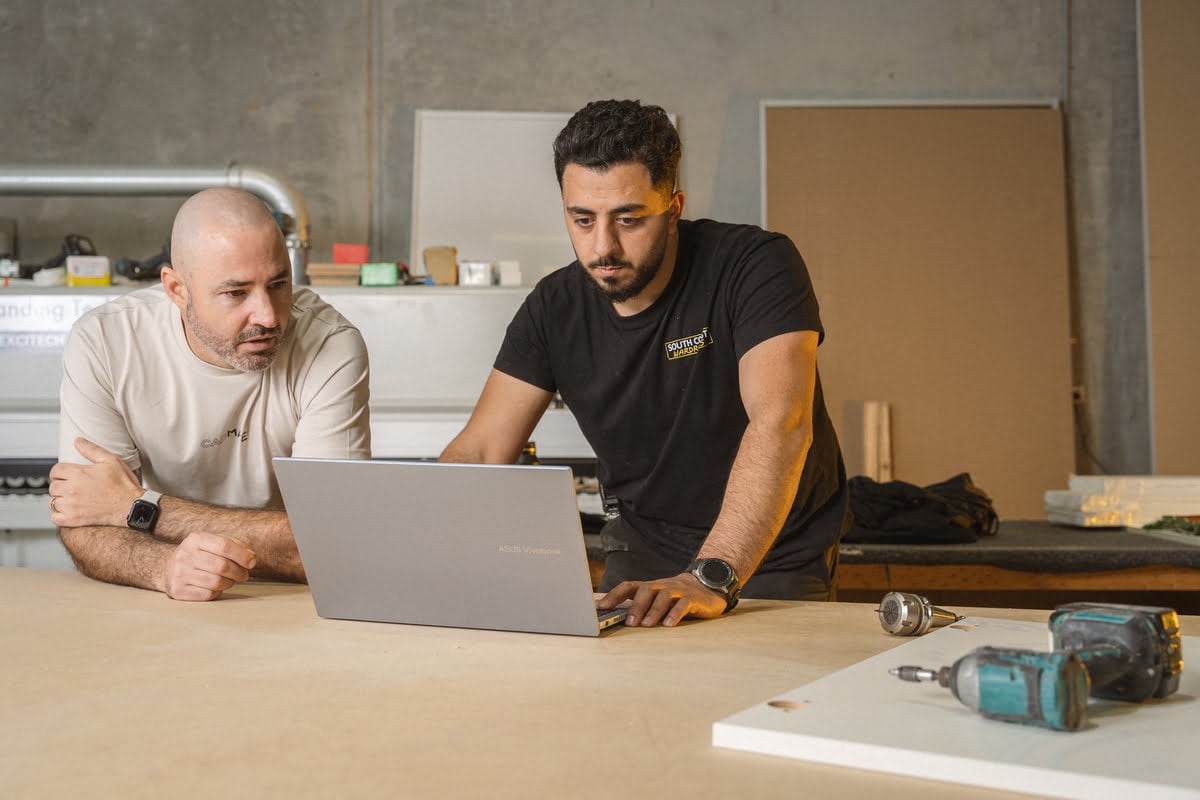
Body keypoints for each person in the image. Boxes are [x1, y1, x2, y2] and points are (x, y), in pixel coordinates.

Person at [440, 99, 850, 627]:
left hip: (769, 552)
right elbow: (479, 449)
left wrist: (711, 575)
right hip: (642, 550)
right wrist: (422, 553)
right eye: (582, 220)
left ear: (674, 208)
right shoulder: (553, 306)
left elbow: (780, 424)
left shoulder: (755, 265)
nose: (602, 247)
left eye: (629, 219)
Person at [47, 187, 372, 601]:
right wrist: (163, 567)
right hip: (169, 595)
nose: (269, 316)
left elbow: (334, 544)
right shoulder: (106, 342)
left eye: (278, 284)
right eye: (236, 293)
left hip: (288, 602)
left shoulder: (330, 345)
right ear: (177, 289)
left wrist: (139, 507)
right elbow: (85, 522)